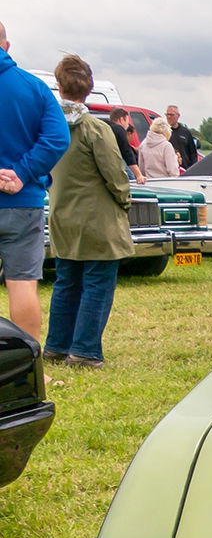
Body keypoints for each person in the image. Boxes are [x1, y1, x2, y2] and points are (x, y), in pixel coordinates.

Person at [44, 54, 132, 368]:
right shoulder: (96, 129)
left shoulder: (48, 126)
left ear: (59, 86)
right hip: (97, 220)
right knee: (97, 283)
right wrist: (125, 201)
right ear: (89, 88)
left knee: (66, 282)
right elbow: (115, 175)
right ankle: (84, 351)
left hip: (62, 215)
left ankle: (56, 346)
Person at [0, 21, 70, 344]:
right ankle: (29, 369)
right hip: (23, 202)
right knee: (23, 284)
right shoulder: (34, 88)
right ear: (7, 46)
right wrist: (22, 173)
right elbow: (58, 138)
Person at [108, 107, 147, 183]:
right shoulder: (119, 129)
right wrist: (139, 175)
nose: (128, 126)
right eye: (127, 122)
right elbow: (127, 152)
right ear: (122, 119)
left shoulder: (105, 127)